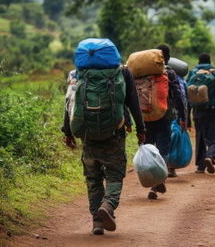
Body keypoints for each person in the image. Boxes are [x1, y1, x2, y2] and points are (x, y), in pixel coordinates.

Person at [62, 61, 146, 234]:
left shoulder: (77, 73)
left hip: (88, 135)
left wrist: (68, 132)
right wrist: (140, 128)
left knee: (93, 178)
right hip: (114, 134)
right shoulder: (122, 71)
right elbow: (133, 101)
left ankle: (97, 222)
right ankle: (108, 205)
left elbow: (69, 102)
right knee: (114, 174)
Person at [144, 44, 186, 199]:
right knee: (163, 150)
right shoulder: (170, 73)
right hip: (164, 117)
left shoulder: (144, 73)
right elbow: (178, 96)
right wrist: (183, 117)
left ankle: (152, 181)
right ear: (168, 58)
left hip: (146, 117)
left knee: (148, 149)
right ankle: (157, 183)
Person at [187, 52, 215, 174]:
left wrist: (187, 117)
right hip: (211, 111)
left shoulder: (192, 73)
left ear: (199, 61)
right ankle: (210, 156)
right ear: (210, 61)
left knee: (199, 137)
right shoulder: (214, 74)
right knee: (212, 139)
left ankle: (200, 167)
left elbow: (187, 97)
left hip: (196, 111)